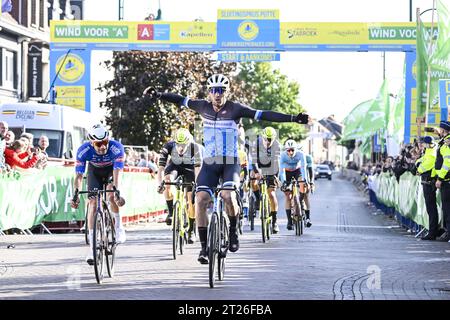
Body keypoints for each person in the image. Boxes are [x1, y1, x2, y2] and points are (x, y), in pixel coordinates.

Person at [144, 73, 310, 264]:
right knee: (200, 199)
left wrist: (293, 118)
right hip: (210, 163)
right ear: (209, 92)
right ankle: (204, 248)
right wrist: (158, 95)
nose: (217, 94)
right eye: (214, 90)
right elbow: (180, 100)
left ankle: (233, 232)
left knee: (227, 195)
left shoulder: (235, 109)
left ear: (226, 91)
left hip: (230, 162)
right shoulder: (202, 106)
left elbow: (264, 114)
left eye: (221, 90)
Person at [70, 123, 127, 265]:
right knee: (93, 203)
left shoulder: (116, 148)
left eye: (105, 142)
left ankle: (119, 227)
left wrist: (116, 191)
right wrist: (76, 194)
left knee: (111, 195)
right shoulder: (83, 150)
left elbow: (117, 172)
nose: (103, 147)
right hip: (94, 172)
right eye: (98, 144)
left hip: (111, 170)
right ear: (91, 142)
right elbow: (78, 176)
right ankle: (92, 248)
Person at [157, 128, 203, 244]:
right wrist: (160, 184)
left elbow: (198, 169)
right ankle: (171, 213)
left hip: (190, 169)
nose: (181, 147)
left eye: (184, 145)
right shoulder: (168, 146)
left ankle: (191, 230)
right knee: (167, 181)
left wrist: (197, 185)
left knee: (191, 201)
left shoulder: (195, 147)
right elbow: (161, 168)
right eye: (178, 144)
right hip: (175, 167)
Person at [249, 126, 281, 233]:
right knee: (253, 179)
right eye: (266, 139)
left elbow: (276, 163)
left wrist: (276, 176)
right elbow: (253, 161)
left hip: (271, 166)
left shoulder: (276, 145)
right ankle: (258, 199)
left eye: (270, 139)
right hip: (258, 164)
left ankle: (274, 221)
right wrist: (257, 172)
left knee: (271, 194)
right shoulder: (256, 144)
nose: (268, 141)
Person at [279, 139, 309, 230]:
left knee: (303, 187)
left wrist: (305, 180)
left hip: (297, 171)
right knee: (288, 196)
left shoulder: (301, 154)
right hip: (287, 172)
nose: (290, 152)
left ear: (296, 149)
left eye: (292, 150)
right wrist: (284, 181)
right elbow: (281, 170)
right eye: (288, 150)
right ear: (285, 150)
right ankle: (289, 221)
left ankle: (302, 207)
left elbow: (303, 168)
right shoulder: (282, 155)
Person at [416, 136, 438, 240]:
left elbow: (428, 163)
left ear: (428, 143)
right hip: (427, 181)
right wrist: (417, 163)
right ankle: (432, 231)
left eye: (423, 143)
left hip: (430, 181)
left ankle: (433, 232)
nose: (422, 145)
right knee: (430, 208)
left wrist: (419, 169)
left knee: (431, 208)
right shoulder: (429, 150)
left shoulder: (432, 151)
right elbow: (423, 159)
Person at [434, 121, 450, 242]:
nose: (439, 131)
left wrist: (440, 178)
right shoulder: (444, 142)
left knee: (447, 208)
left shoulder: (447, 143)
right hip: (445, 179)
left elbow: (447, 163)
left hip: (446, 180)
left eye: (440, 129)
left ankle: (448, 233)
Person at [300, 146, 314, 228]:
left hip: (305, 180)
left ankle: (308, 218)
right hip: (295, 178)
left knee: (305, 197)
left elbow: (311, 171)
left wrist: (311, 182)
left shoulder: (308, 158)